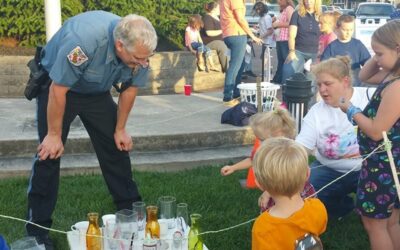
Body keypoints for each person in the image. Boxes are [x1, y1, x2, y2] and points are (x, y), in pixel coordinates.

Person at [25, 11, 157, 249]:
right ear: (119, 45)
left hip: (96, 92)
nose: (144, 64)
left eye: (146, 58)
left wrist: (120, 129)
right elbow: (58, 88)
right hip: (59, 88)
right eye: (138, 58)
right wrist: (53, 135)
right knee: (49, 154)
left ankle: (130, 215)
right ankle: (37, 229)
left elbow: (129, 89)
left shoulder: (140, 49)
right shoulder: (83, 42)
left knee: (116, 149)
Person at [339, 20, 400, 250]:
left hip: (383, 166)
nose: (376, 59)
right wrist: (381, 54)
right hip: (387, 164)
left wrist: (351, 110)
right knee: (391, 221)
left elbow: (376, 131)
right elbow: (364, 75)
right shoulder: (391, 76)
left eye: (379, 54)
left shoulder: (397, 86)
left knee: (374, 224)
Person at [296, 56, 376, 219]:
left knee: (374, 216)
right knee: (305, 195)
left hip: (371, 168)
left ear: (345, 81)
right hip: (329, 168)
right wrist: (279, 182)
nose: (322, 90)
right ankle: (343, 206)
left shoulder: (370, 97)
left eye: (328, 84)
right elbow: (300, 149)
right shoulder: (316, 112)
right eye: (319, 85)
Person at [220, 108, 315, 211]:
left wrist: (268, 193)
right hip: (277, 191)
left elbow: (283, 179)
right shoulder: (265, 151)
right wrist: (233, 167)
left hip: (292, 191)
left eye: (262, 140)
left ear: (277, 136)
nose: (259, 144)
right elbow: (253, 160)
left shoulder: (289, 154)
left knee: (291, 213)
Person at [251, 137, 327, 250]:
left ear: (259, 184)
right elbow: (320, 229)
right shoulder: (317, 207)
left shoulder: (263, 227)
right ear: (307, 174)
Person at [220, 0, 263, 107]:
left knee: (240, 65)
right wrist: (252, 35)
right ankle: (228, 97)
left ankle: (236, 93)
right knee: (235, 66)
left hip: (229, 34)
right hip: (236, 33)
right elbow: (240, 18)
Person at [320, 14, 370, 86]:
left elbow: (367, 63)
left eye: (351, 30)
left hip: (355, 85)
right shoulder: (332, 46)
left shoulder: (358, 45)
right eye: (345, 30)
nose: (348, 32)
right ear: (337, 29)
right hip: (338, 85)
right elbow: (323, 65)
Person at [281, 0, 321, 84]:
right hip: (298, 51)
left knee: (311, 82)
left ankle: (308, 96)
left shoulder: (321, 16)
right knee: (287, 73)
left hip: (315, 53)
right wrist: (292, 51)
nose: (308, 1)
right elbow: (291, 36)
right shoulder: (296, 14)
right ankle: (288, 96)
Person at [201, 1, 229, 72]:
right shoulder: (207, 17)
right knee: (222, 46)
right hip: (209, 42)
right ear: (214, 9)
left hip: (220, 40)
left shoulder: (216, 17)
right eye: (219, 8)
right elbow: (209, 33)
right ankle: (228, 69)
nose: (221, 10)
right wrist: (222, 30)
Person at [271, 0, 294, 84]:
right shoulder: (284, 9)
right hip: (280, 39)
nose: (278, 2)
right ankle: (279, 79)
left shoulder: (289, 8)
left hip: (286, 39)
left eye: (280, 0)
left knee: (286, 61)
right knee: (281, 61)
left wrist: (278, 24)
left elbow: (292, 23)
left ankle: (286, 80)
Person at [253, 2, 275, 81]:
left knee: (266, 59)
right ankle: (266, 74)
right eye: (256, 10)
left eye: (258, 10)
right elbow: (263, 29)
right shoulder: (262, 18)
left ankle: (269, 75)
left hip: (268, 42)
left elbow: (270, 30)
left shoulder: (266, 17)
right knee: (264, 58)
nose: (257, 11)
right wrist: (257, 29)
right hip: (264, 41)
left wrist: (260, 37)